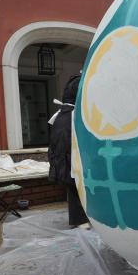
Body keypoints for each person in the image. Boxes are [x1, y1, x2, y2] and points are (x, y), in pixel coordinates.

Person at [48, 74, 89, 228]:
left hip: (64, 158)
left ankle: (79, 219)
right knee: (76, 186)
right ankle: (80, 220)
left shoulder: (60, 115)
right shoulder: (73, 116)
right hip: (69, 159)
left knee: (74, 187)